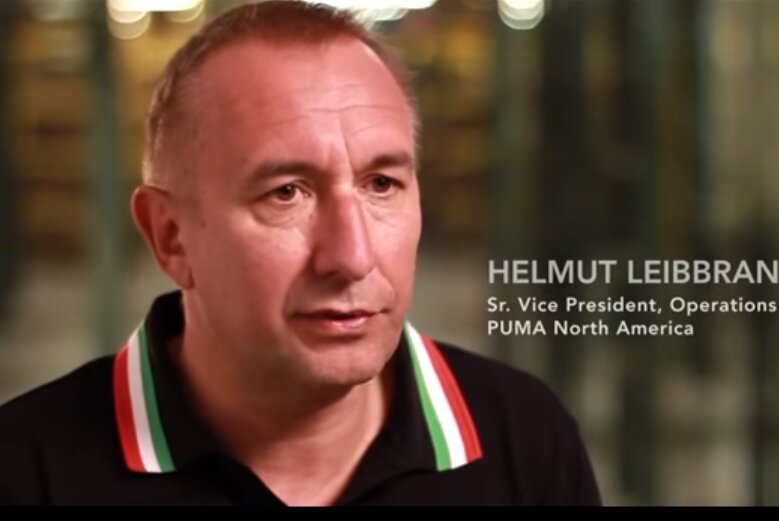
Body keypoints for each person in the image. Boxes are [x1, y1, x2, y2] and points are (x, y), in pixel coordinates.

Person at [0, 1, 601, 505]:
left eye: (381, 184)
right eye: (286, 193)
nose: (352, 256)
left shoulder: (525, 442)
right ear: (170, 235)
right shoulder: (26, 472)